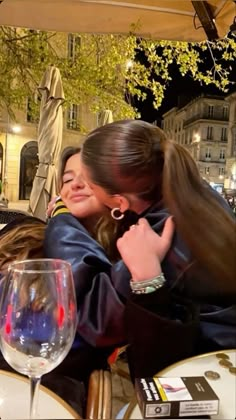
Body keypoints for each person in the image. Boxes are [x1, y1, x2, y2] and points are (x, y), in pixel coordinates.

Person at [45, 119, 236, 379]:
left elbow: (95, 316)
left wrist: (61, 216)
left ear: (119, 201)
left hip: (210, 376)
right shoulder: (189, 198)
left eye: (90, 182)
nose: (79, 186)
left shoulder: (161, 233)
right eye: (68, 179)